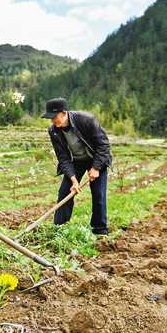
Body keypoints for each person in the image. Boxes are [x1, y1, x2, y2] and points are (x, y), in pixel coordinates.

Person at [42, 97, 112, 236]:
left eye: (54, 117)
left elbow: (103, 145)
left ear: (63, 113)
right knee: (64, 192)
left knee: (98, 194)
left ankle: (100, 231)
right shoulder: (54, 131)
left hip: (96, 158)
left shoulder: (86, 120)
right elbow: (63, 157)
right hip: (76, 161)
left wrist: (96, 168)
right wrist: (73, 180)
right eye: (50, 119)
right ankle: (59, 229)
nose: (53, 121)